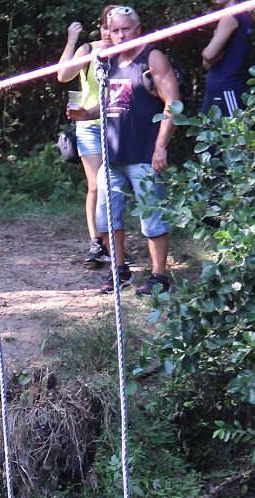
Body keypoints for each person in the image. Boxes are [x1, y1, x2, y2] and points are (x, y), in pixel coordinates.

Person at [68, 6, 180, 296]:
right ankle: (119, 272)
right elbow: (111, 101)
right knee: (107, 219)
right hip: (112, 155)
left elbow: (174, 105)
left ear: (137, 28)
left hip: (144, 153)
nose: (119, 35)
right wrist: (86, 113)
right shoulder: (110, 60)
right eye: (114, 30)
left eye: (125, 29)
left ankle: (159, 277)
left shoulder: (151, 57)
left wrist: (160, 147)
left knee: (152, 218)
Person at [57, 6, 116, 266]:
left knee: (115, 185)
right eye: (105, 27)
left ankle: (114, 241)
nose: (108, 33)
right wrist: (71, 40)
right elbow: (63, 75)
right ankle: (97, 242)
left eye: (113, 28)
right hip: (89, 125)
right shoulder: (89, 50)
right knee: (96, 185)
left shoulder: (128, 50)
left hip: (118, 124)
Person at [201, 0, 255, 116]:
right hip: (221, 87)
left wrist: (209, 53)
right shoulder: (242, 14)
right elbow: (207, 63)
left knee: (233, 132)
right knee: (209, 131)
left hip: (226, 88)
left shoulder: (231, 16)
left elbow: (209, 54)